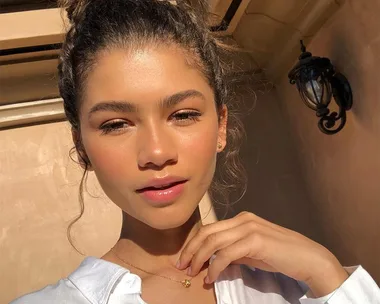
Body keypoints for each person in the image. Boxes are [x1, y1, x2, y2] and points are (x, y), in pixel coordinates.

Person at [11, 0, 380, 303]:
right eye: (116, 124)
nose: (156, 152)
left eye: (183, 115)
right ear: (82, 148)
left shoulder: (301, 288)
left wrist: (327, 274)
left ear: (221, 126)